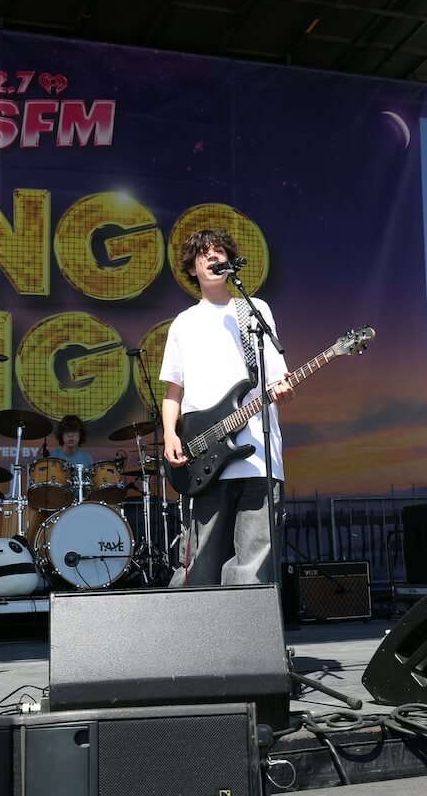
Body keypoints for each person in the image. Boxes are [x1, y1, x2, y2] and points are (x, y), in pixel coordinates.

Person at [160, 228, 294, 586]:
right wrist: (170, 434)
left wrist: (281, 388)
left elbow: (276, 378)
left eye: (218, 251)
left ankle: (247, 636)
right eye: (203, 254)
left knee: (253, 564)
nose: (212, 258)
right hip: (205, 454)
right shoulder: (184, 323)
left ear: (230, 261)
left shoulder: (255, 311)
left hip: (258, 454)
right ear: (191, 268)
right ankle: (196, 636)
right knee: (200, 563)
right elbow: (173, 392)